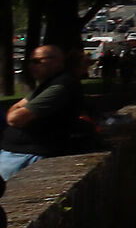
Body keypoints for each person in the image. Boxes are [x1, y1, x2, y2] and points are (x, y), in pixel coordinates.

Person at [2, 44, 85, 182]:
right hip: (17, 154)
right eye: (30, 62)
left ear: (57, 61)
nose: (31, 66)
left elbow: (14, 118)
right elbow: (15, 108)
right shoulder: (48, 84)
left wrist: (19, 112)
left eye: (37, 61)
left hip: (27, 156)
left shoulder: (60, 86)